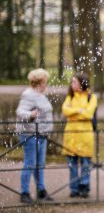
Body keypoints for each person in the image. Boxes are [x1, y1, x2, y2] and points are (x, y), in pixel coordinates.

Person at [16, 68, 54, 203]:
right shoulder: (29, 94)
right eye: (45, 81)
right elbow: (20, 111)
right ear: (39, 82)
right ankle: (24, 192)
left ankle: (41, 190)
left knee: (40, 164)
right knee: (30, 163)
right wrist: (30, 115)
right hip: (31, 134)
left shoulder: (40, 94)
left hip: (42, 134)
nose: (46, 84)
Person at [61, 73, 97, 198]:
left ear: (82, 83)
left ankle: (84, 186)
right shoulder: (70, 97)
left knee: (86, 163)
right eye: (72, 82)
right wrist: (79, 110)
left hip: (85, 135)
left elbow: (88, 114)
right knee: (72, 164)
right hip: (71, 135)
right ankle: (74, 188)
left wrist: (74, 113)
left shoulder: (91, 97)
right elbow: (65, 111)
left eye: (75, 82)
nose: (72, 84)